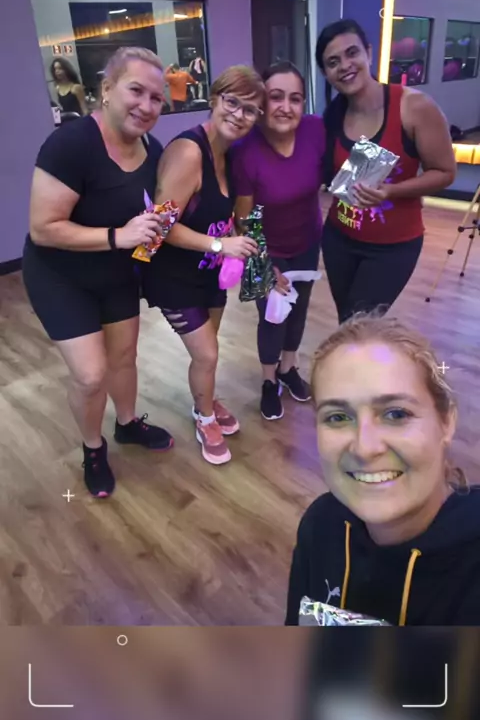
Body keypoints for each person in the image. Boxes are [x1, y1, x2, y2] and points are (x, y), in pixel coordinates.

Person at [23, 47, 174, 499]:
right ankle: (93, 448)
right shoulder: (71, 144)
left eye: (157, 98)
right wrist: (118, 237)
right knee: (91, 376)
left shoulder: (153, 150)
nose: (147, 105)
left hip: (116, 273)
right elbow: (43, 228)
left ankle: (127, 424)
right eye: (136, 91)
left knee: (124, 358)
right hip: (60, 275)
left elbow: (157, 215)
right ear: (106, 90)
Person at [285, 312, 480, 626]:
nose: (365, 447)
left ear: (446, 421)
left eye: (396, 414)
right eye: (337, 417)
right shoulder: (320, 526)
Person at [141, 66, 264, 465]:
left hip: (208, 274)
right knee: (208, 354)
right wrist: (219, 244)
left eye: (250, 109)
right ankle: (204, 417)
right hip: (172, 277)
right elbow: (159, 229)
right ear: (213, 100)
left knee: (207, 353)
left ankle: (205, 399)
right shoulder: (188, 152)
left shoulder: (230, 154)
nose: (239, 114)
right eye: (232, 102)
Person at [316, 19, 456, 324]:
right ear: (326, 73)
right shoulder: (332, 117)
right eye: (333, 62)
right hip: (339, 239)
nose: (345, 65)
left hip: (392, 248)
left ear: (368, 52)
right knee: (347, 323)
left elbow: (445, 172)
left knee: (357, 326)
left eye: (352, 53)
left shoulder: (414, 107)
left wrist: (392, 191)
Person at [232, 62, 325, 421]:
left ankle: (289, 368)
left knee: (298, 311)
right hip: (263, 248)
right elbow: (244, 220)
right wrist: (266, 267)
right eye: (276, 97)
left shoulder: (315, 130)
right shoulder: (246, 150)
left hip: (306, 240)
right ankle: (269, 380)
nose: (286, 107)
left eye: (295, 98)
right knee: (272, 316)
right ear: (261, 102)